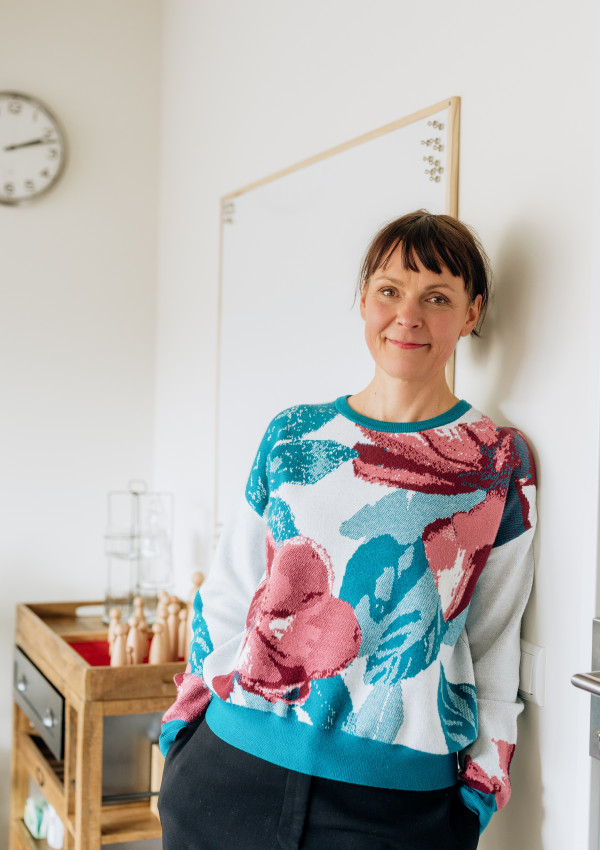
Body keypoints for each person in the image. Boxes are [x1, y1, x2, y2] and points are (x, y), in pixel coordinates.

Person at [158, 211, 537, 850]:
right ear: (364, 300)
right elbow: (226, 593)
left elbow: (495, 640)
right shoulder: (293, 435)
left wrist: (480, 790)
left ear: (472, 313)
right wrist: (182, 729)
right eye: (390, 290)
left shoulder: (498, 461)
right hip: (229, 772)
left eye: (436, 298)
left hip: (393, 806)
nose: (407, 316)